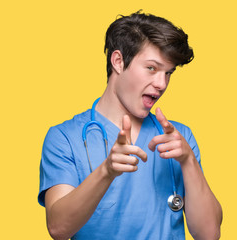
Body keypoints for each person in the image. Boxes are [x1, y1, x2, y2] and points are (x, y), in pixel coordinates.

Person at [38, 11, 222, 240]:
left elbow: (209, 235)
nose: (162, 84)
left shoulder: (179, 138)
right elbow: (58, 228)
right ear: (118, 61)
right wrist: (106, 171)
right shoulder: (65, 137)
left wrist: (188, 161)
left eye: (168, 73)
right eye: (152, 68)